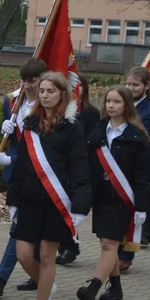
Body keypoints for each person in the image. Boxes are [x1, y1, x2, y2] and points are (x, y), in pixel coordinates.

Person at [0, 72, 90, 300]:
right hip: (29, 198)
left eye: (51, 91)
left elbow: (80, 166)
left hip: (57, 201)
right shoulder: (30, 122)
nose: (45, 95)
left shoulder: (73, 126)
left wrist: (80, 206)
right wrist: (12, 197)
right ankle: (47, 286)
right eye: (43, 91)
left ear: (62, 94)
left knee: (47, 257)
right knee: (24, 254)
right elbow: (24, 163)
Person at [76, 86, 150, 300]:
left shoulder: (137, 138)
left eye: (116, 102)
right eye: (108, 101)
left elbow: (142, 177)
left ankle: (93, 287)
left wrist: (141, 208)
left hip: (122, 198)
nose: (110, 105)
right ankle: (116, 287)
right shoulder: (98, 131)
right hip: (101, 195)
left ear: (126, 105)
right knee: (106, 243)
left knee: (109, 244)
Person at [0, 57, 47, 297]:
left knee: (19, 225)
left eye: (33, 80)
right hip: (17, 175)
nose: (28, 85)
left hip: (37, 173)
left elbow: (42, 150)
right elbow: (12, 139)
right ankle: (37, 272)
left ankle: (1, 277)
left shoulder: (47, 106)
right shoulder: (11, 101)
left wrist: (11, 159)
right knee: (30, 225)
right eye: (24, 80)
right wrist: (6, 133)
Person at [57, 73, 101, 266]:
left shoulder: (91, 112)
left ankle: (70, 245)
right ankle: (67, 245)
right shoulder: (61, 110)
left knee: (73, 206)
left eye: (79, 85)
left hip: (84, 164)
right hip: (63, 164)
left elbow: (92, 138)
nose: (76, 89)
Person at [121, 67, 150, 268]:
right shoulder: (120, 104)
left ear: (146, 87)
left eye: (135, 85)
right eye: (128, 84)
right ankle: (115, 249)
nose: (130, 88)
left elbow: (144, 138)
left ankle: (127, 256)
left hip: (136, 166)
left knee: (132, 213)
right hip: (118, 166)